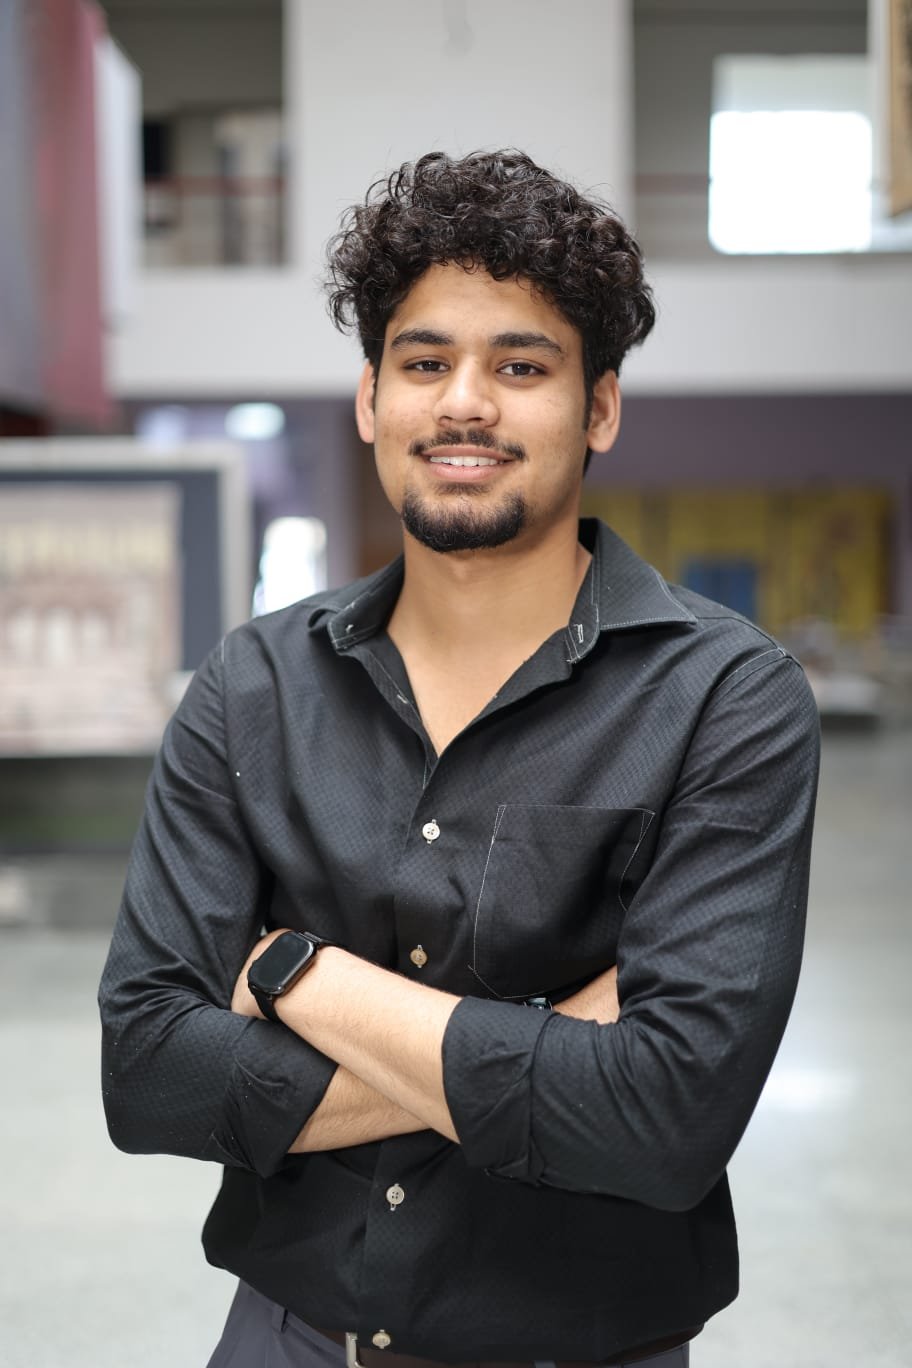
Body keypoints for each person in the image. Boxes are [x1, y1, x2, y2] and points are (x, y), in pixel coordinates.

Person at [99, 150, 820, 1368]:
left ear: (599, 408)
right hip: (285, 1339)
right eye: (426, 363)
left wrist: (298, 976)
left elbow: (666, 1122)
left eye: (521, 366)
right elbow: (148, 1072)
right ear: (372, 397)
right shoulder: (254, 686)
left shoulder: (725, 698)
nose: (466, 403)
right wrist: (554, 1042)